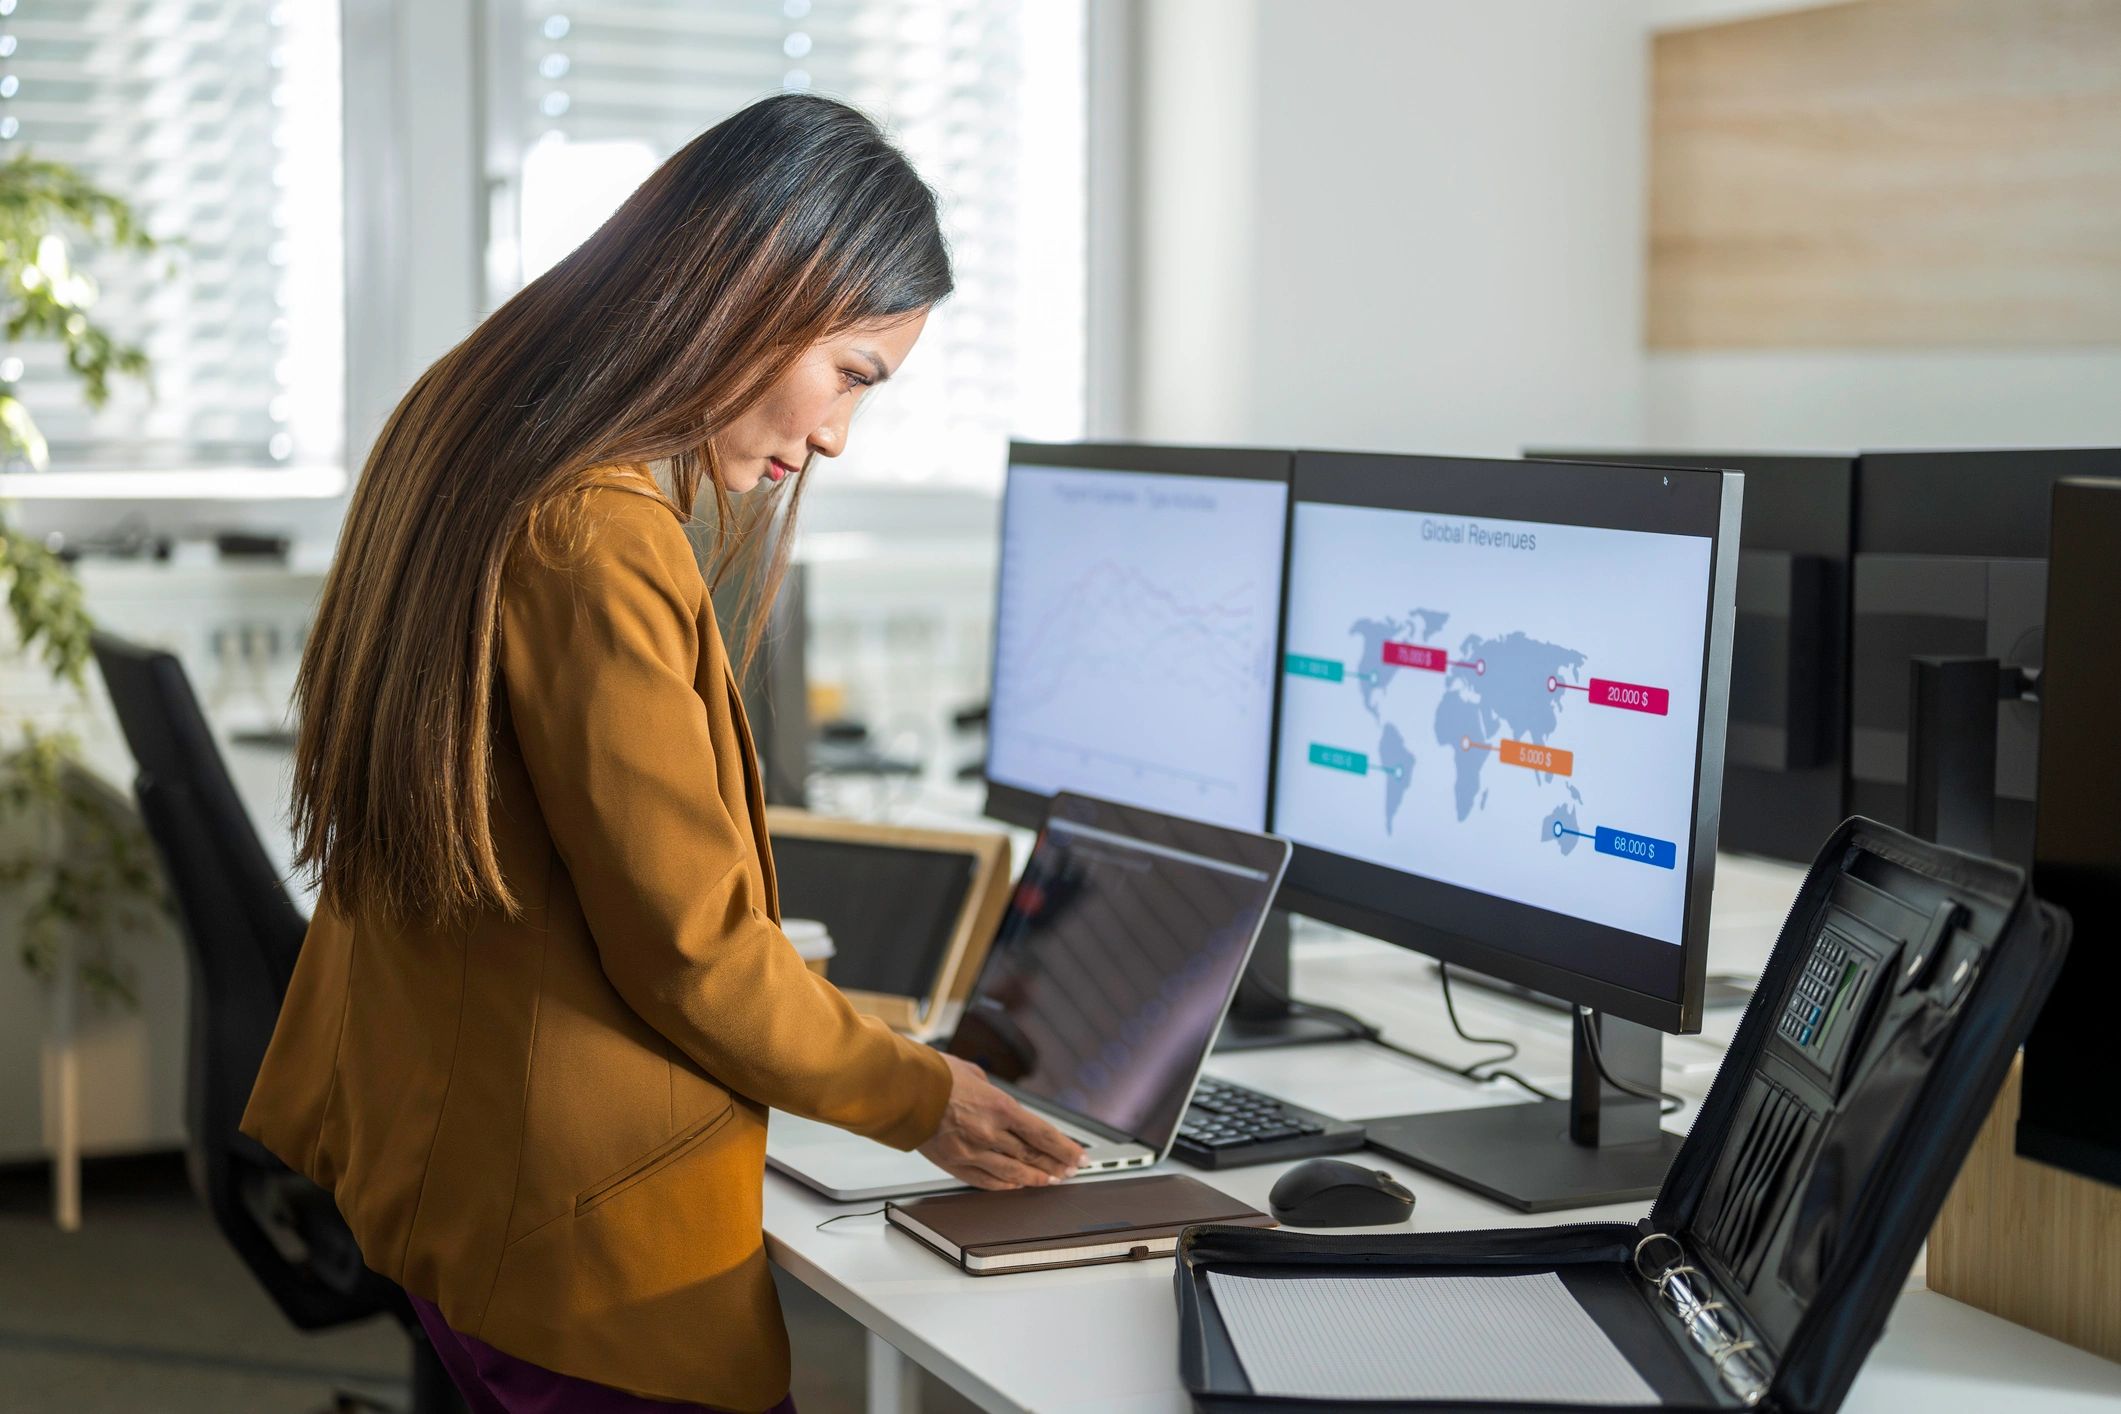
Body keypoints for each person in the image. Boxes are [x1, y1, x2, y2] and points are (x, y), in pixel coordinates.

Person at [241, 94, 1084, 1414]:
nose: (837, 435)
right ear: (759, 289)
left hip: (456, 1172)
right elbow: (693, 951)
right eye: (853, 372)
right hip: (580, 1241)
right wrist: (922, 1093)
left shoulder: (465, 426)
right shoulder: (595, 532)